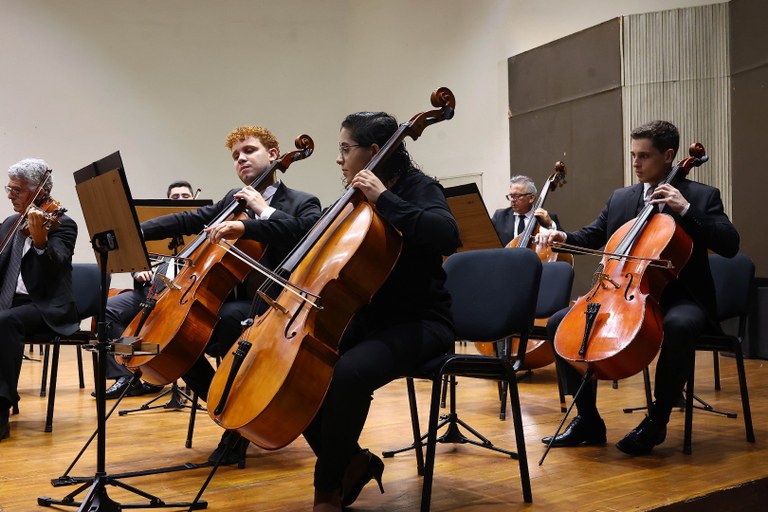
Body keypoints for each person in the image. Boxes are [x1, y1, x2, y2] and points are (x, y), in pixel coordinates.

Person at [99, 125, 321, 463]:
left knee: (230, 323)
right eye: (235, 156)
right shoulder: (232, 199)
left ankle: (237, 428)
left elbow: (307, 237)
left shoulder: (303, 202)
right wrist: (134, 232)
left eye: (249, 151)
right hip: (224, 300)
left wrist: (260, 213)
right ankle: (227, 410)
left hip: (272, 304)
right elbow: (193, 219)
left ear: (274, 155)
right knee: (177, 343)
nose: (241, 159)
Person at [534, 120, 739, 456]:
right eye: (633, 155)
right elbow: (594, 235)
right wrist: (564, 237)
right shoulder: (622, 198)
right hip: (625, 293)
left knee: (679, 324)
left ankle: (657, 419)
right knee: (559, 323)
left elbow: (730, 244)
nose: (635, 163)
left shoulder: (701, 196)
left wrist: (684, 210)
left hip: (680, 298)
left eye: (644, 156)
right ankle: (588, 419)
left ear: (669, 156)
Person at [303, 112, 460, 511]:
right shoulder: (351, 198)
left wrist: (384, 199)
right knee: (301, 370)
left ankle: (328, 488)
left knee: (348, 374)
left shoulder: (418, 188)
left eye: (345, 149)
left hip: (422, 321)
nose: (339, 158)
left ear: (373, 151)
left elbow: (447, 235)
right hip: (370, 318)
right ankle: (352, 460)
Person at [0, 159, 79, 442]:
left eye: (16, 190)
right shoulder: (10, 223)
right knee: (4, 319)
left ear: (38, 192)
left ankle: (0, 410)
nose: (9, 194)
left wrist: (40, 241)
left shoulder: (62, 224)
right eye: (9, 188)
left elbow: (57, 265)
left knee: (4, 321)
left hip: (45, 307)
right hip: (9, 305)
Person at [491, 175, 559, 246]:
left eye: (517, 196)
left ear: (531, 198)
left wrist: (551, 224)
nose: (513, 200)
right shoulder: (500, 216)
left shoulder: (547, 218)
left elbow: (562, 242)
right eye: (511, 196)